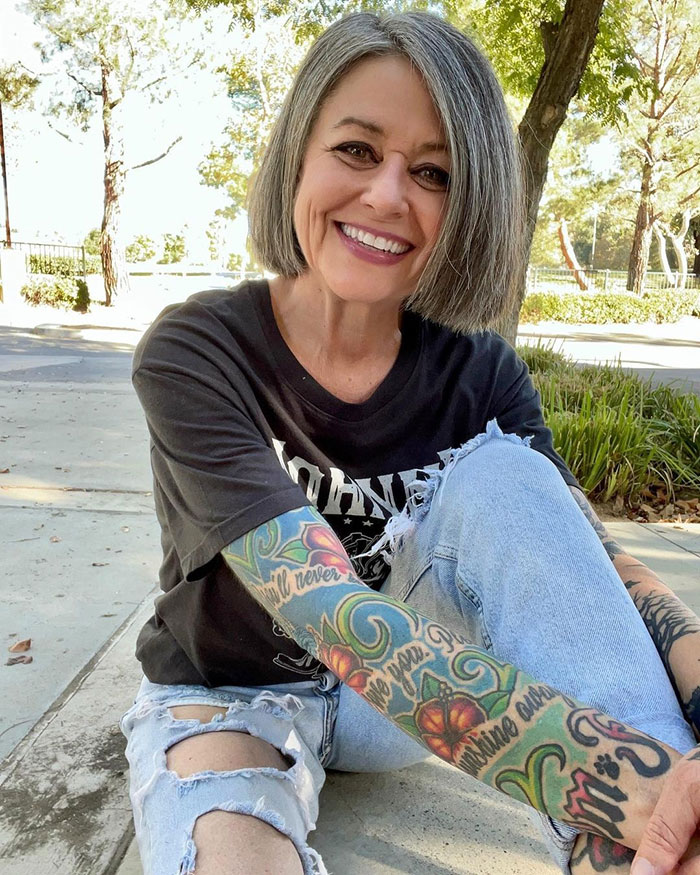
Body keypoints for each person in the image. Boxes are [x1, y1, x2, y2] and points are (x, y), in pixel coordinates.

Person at [119, 11, 700, 875]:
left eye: (432, 172)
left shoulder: (482, 374)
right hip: (228, 695)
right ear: (299, 155)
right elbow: (324, 606)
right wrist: (624, 777)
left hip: (384, 713)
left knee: (506, 474)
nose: (389, 196)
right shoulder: (200, 349)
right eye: (357, 150)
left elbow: (599, 566)